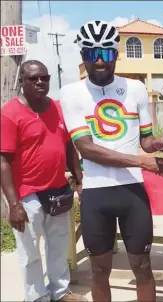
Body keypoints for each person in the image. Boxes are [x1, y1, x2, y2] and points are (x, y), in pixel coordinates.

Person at [59, 20, 163, 302]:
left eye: (106, 53)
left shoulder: (136, 89)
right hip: (97, 194)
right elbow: (88, 148)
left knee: (143, 266)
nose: (99, 61)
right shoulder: (71, 93)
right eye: (92, 53)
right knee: (99, 270)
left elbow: (147, 142)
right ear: (83, 56)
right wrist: (143, 162)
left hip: (132, 192)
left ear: (116, 55)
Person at [0, 60, 86, 302]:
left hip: (58, 189)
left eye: (44, 78)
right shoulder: (10, 113)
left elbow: (70, 147)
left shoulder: (58, 108)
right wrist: (13, 204)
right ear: (21, 83)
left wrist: (79, 180)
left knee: (59, 247)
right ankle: (36, 297)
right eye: (33, 79)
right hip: (27, 195)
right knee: (29, 253)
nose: (40, 82)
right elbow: (3, 161)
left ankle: (59, 292)